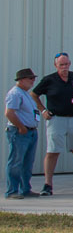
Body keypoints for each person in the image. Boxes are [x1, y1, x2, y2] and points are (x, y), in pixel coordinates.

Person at [32, 53, 73, 195]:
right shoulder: (49, 80)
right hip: (56, 119)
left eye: (66, 64)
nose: (64, 68)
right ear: (56, 65)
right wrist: (43, 110)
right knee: (52, 151)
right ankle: (48, 184)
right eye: (61, 65)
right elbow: (34, 94)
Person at [5, 69, 42, 198]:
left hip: (31, 131)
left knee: (27, 162)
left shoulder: (26, 94)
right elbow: (9, 113)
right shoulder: (15, 94)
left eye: (33, 78)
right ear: (21, 80)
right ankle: (12, 191)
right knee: (16, 161)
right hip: (20, 131)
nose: (32, 81)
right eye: (30, 78)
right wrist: (21, 127)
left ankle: (25, 188)